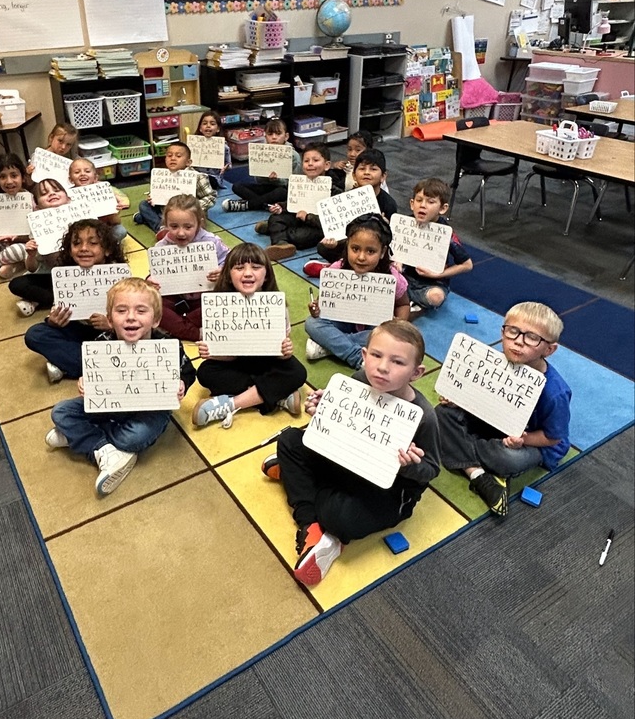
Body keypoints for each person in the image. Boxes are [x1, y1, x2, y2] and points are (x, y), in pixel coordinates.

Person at [263, 319, 440, 585]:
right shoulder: (357, 381)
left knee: (338, 517)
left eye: (398, 362)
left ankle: (299, 481)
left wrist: (409, 465)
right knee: (289, 439)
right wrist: (324, 412)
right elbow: (335, 431)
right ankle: (310, 524)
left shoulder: (424, 416)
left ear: (416, 373)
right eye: (377, 356)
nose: (382, 367)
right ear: (364, 356)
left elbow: (431, 470)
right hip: (345, 462)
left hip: (387, 488)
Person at [46, 277, 196, 497]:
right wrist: (85, 381)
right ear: (110, 318)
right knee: (60, 411)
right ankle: (108, 451)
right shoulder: (102, 342)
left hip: (151, 409)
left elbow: (188, 371)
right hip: (110, 405)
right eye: (122, 311)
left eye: (141, 311)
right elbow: (91, 372)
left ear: (156, 320)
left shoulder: (168, 345)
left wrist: (182, 383)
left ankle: (84, 438)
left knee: (133, 438)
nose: (131, 318)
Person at [436, 302, 571, 518]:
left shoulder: (555, 392)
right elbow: (479, 400)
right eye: (513, 331)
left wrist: (523, 440)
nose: (518, 341)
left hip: (532, 441)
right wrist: (458, 401)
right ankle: (478, 474)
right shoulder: (492, 363)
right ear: (502, 331)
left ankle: (457, 451)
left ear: (549, 349)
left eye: (532, 337)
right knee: (442, 414)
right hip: (493, 423)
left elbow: (553, 438)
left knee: (507, 459)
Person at [192, 242, 307, 429]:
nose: (247, 273)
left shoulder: (277, 306)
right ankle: (278, 395)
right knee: (205, 372)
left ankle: (230, 404)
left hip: (268, 363)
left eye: (255, 267)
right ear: (228, 275)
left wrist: (285, 351)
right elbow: (227, 357)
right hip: (237, 365)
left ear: (266, 274)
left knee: (297, 372)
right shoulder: (217, 307)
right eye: (239, 268)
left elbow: (281, 355)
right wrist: (212, 352)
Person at [24, 218, 123, 382]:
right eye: (77, 244)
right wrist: (53, 322)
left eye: (93, 243)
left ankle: (70, 365)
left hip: (110, 334)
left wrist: (112, 324)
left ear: (107, 249)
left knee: (131, 342)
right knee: (35, 334)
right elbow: (58, 308)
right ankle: (94, 368)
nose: (84, 249)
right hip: (77, 328)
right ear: (70, 250)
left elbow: (133, 316)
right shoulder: (65, 275)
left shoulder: (119, 274)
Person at [305, 214, 411, 366]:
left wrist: (399, 324)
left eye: (370, 251)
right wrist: (316, 309)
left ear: (382, 252)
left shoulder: (392, 277)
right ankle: (357, 357)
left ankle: (329, 345)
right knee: (311, 323)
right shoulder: (336, 269)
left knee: (387, 335)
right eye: (355, 249)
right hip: (342, 320)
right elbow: (324, 304)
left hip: (373, 328)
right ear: (347, 246)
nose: (361, 257)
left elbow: (403, 304)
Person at [146, 194, 229, 341]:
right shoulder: (161, 246)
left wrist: (223, 271)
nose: (181, 232)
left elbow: (231, 264)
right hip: (176, 298)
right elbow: (154, 275)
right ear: (165, 223)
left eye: (188, 227)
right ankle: (197, 333)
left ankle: (179, 326)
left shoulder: (212, 242)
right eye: (174, 226)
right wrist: (150, 281)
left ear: (199, 223)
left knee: (225, 303)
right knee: (151, 306)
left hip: (205, 298)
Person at [308, 148, 398, 270]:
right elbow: (344, 231)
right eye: (362, 168)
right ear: (354, 175)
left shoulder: (389, 204)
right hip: (353, 244)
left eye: (373, 169)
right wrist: (334, 240)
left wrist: (385, 226)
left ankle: (338, 266)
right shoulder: (347, 199)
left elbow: (391, 241)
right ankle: (340, 265)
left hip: (374, 249)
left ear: (383, 176)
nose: (367, 173)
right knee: (323, 247)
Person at [257, 142, 345, 261]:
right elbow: (293, 202)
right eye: (306, 161)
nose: (310, 164)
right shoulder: (300, 183)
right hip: (297, 218)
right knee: (275, 218)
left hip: (317, 227)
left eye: (315, 160)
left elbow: (333, 222)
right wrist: (281, 207)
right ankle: (281, 243)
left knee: (299, 237)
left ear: (327, 165)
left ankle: (275, 230)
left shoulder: (334, 191)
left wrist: (308, 217)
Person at [403, 177, 473, 314]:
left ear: (442, 208)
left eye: (430, 202)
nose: (422, 205)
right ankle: (409, 303)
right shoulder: (404, 224)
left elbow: (467, 265)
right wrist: (397, 263)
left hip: (432, 284)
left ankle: (408, 303)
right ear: (412, 204)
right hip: (405, 278)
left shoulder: (446, 233)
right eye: (419, 200)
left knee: (436, 297)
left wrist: (438, 274)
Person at [8, 178, 72, 316]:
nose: (51, 194)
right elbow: (31, 268)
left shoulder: (82, 217)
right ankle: (60, 300)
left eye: (57, 190)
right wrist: (31, 255)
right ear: (37, 206)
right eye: (44, 193)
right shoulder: (37, 226)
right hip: (51, 277)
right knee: (16, 284)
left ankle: (36, 302)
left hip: (80, 273)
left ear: (68, 198)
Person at [133, 141, 216, 232]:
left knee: (197, 225)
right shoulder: (161, 175)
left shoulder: (198, 176)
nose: (173, 158)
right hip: (167, 212)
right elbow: (158, 196)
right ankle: (161, 229)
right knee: (144, 205)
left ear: (188, 162)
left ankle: (150, 220)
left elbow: (211, 197)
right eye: (169, 155)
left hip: (189, 215)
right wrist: (153, 198)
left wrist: (194, 206)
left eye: (178, 156)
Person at [222, 117, 302, 212]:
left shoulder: (293, 155)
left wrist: (278, 180)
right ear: (265, 136)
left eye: (278, 134)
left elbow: (295, 185)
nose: (274, 137)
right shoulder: (261, 152)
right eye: (270, 134)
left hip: (283, 191)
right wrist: (267, 178)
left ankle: (247, 205)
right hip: (266, 188)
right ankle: (265, 205)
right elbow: (258, 180)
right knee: (237, 186)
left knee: (282, 192)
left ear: (286, 136)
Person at [67, 156, 129, 246]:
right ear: (70, 179)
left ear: (95, 177)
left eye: (87, 171)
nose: (82, 174)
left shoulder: (104, 192)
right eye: (77, 172)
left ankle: (103, 248)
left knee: (120, 231)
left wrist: (113, 211)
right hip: (80, 233)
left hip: (102, 231)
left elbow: (116, 222)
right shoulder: (68, 196)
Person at [191, 109, 232, 189]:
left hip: (213, 177)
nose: (208, 126)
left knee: (210, 181)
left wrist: (226, 167)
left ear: (218, 129)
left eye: (212, 124)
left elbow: (229, 164)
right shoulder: (194, 144)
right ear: (200, 128)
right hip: (196, 175)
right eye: (204, 123)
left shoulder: (223, 146)